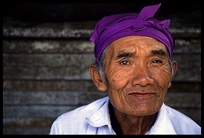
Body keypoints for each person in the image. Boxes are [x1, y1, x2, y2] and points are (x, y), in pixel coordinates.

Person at [49, 3, 201, 134]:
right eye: (125, 62)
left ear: (172, 73)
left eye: (155, 61)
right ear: (99, 78)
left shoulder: (191, 131)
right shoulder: (67, 128)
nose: (143, 80)